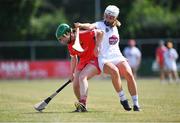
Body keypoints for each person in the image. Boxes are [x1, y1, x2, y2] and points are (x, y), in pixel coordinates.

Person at [75, 5, 140, 111]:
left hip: (117, 56)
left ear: (115, 18)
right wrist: (81, 25)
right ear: (104, 15)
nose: (108, 18)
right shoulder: (99, 24)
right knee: (115, 71)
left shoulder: (116, 26)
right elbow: (90, 26)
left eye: (111, 17)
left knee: (129, 74)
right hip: (104, 58)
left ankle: (136, 104)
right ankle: (123, 99)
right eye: (107, 15)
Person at [55, 23, 103, 112]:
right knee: (75, 85)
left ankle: (83, 102)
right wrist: (71, 73)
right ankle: (82, 106)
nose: (61, 41)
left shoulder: (82, 34)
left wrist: (97, 46)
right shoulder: (69, 44)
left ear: (68, 33)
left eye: (62, 38)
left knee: (82, 77)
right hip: (83, 61)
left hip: (94, 59)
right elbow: (74, 58)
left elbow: (100, 32)